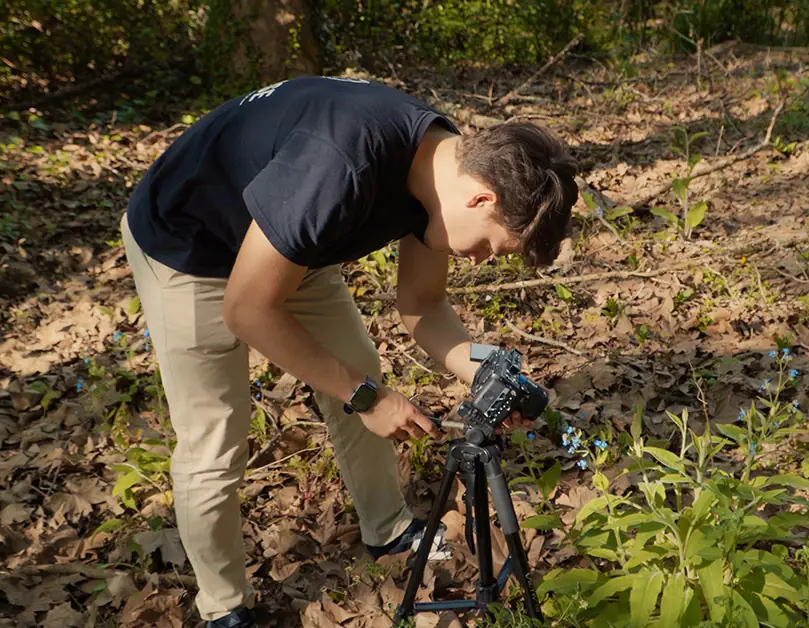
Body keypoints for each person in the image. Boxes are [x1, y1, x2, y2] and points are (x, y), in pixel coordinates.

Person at [118, 75, 578, 627]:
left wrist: (486, 374)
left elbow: (424, 304)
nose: (480, 260)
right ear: (482, 196)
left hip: (288, 245)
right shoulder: (340, 166)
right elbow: (246, 310)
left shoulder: (440, 165)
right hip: (189, 247)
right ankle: (223, 608)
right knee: (215, 438)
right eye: (487, 246)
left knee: (362, 372)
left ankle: (387, 531)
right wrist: (367, 397)